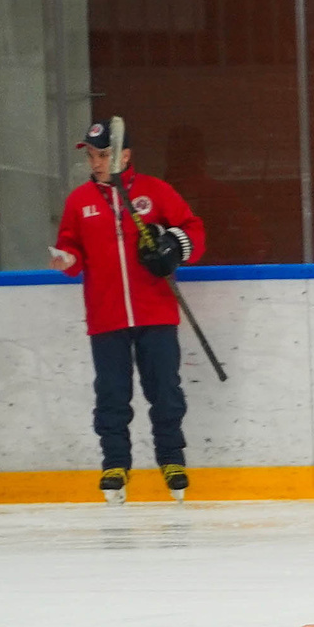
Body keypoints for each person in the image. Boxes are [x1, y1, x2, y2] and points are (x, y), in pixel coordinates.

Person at [52, 119, 207, 503]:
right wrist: (65, 260)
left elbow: (194, 231)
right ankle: (115, 465)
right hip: (106, 317)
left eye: (103, 154)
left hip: (155, 312)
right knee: (111, 394)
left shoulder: (155, 192)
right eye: (91, 155)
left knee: (165, 391)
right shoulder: (79, 201)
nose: (96, 162)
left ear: (125, 154)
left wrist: (174, 246)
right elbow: (71, 253)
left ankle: (172, 459)